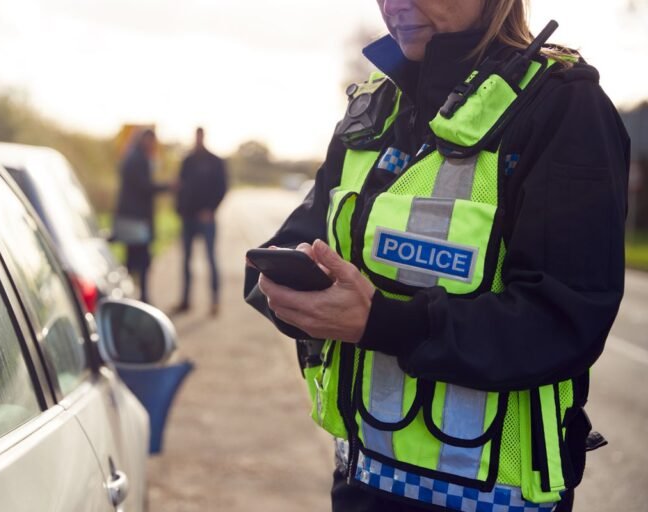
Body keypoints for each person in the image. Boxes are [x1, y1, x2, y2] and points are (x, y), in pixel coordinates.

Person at [244, 0, 629, 511]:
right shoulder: (374, 104)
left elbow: (563, 319)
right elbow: (302, 235)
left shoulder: (563, 107)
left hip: (500, 500)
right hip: (361, 482)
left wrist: (384, 322)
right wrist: (290, 291)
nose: (395, 3)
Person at [175, 127, 228, 316]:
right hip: (188, 217)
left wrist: (211, 210)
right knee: (186, 260)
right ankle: (185, 300)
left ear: (204, 137)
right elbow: (180, 186)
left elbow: (222, 188)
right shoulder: (187, 160)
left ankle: (215, 302)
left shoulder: (215, 161)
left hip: (206, 219)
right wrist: (179, 210)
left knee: (211, 259)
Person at [114, 129, 169, 303]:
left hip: (131, 218)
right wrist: (168, 186)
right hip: (136, 219)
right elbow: (145, 187)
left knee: (133, 259)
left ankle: (129, 297)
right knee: (141, 261)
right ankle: (140, 298)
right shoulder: (139, 159)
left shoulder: (132, 157)